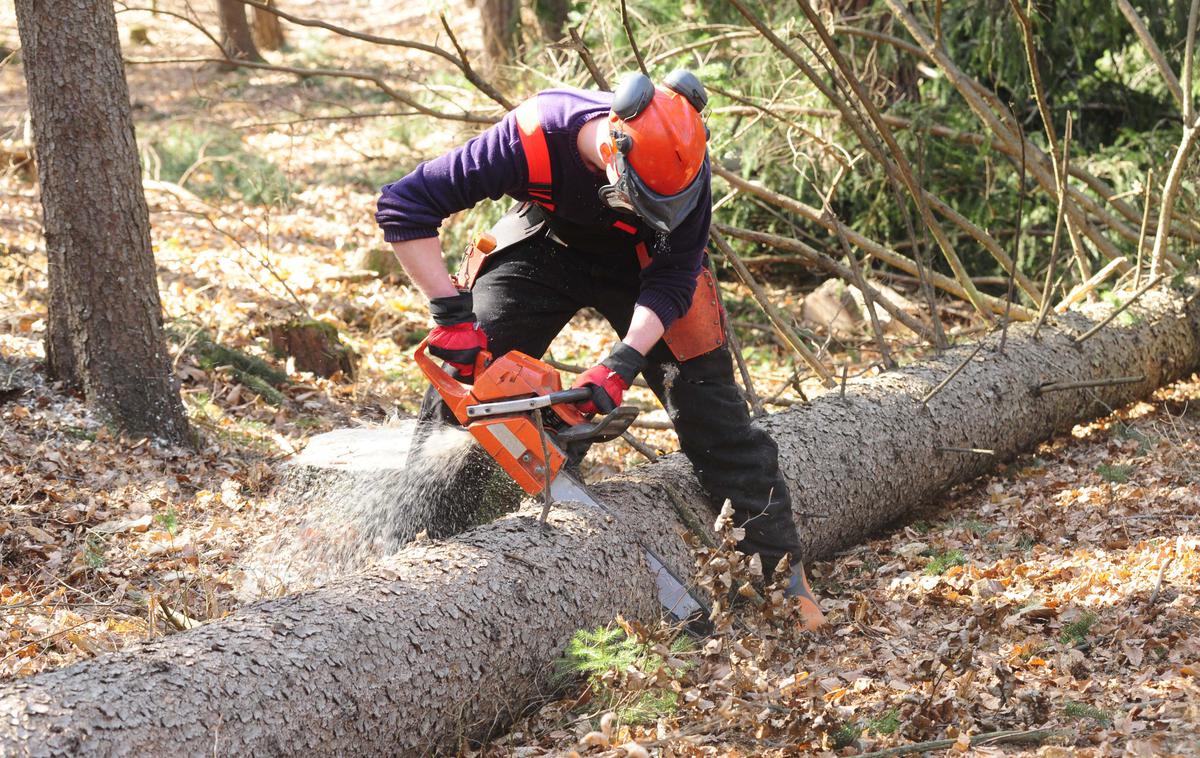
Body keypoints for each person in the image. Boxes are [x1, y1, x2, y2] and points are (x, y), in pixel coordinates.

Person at [375, 71, 825, 630]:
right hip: (546, 239)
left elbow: (675, 275)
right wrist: (450, 317)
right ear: (613, 152)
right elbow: (404, 204)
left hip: (647, 266)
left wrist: (623, 362)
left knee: (713, 413)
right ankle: (412, 550)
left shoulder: (686, 156)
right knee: (470, 380)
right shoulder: (533, 133)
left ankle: (786, 579)